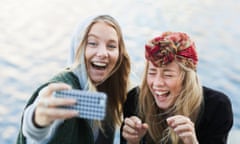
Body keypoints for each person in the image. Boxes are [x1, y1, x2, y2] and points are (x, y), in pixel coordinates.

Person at [16, 14, 138, 144]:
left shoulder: (110, 88)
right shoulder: (64, 88)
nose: (103, 53)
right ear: (77, 48)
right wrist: (37, 122)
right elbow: (36, 136)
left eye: (111, 46)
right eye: (92, 43)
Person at [121, 31, 233, 144]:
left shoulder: (217, 107)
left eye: (168, 75)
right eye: (152, 72)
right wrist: (132, 142)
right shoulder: (135, 99)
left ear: (187, 80)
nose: (157, 83)